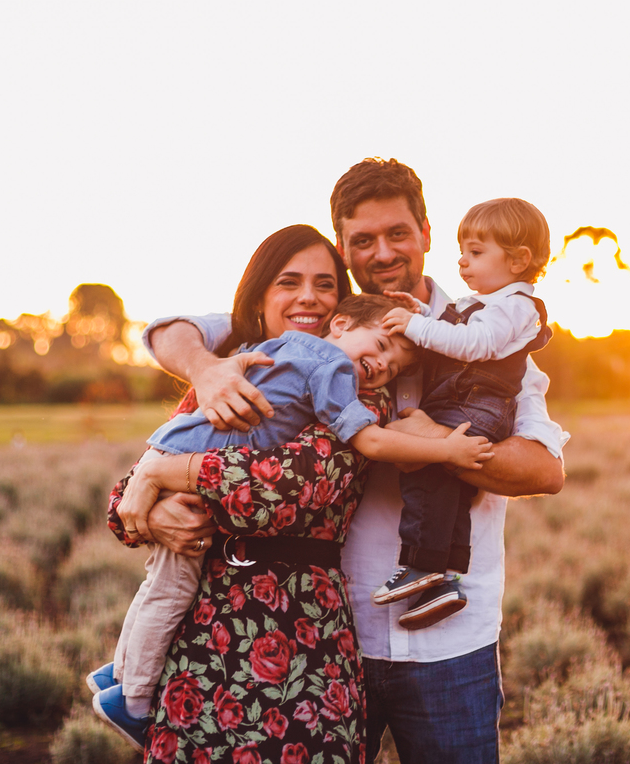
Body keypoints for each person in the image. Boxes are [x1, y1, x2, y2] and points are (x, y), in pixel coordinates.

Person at [142, 158, 568, 764]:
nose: (383, 252)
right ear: (343, 246)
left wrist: (437, 444)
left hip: (451, 645)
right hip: (329, 645)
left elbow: (545, 470)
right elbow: (174, 330)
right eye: (363, 240)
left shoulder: (486, 333)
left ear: (426, 232)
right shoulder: (323, 327)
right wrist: (206, 371)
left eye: (398, 233)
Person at [88, 281, 492, 747]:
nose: (384, 366)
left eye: (395, 367)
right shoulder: (316, 367)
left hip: (181, 460)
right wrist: (446, 450)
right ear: (340, 323)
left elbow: (283, 488)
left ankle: (121, 675)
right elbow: (368, 442)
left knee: (159, 583)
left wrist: (160, 474)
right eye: (382, 347)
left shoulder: (286, 352)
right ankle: (134, 701)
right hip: (190, 496)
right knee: (167, 588)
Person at [372, 197, 554, 630]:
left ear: (518, 260)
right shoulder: (487, 303)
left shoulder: (515, 306)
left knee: (427, 471)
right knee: (449, 491)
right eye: (462, 251)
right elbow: (456, 331)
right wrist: (419, 313)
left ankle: (421, 563)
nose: (462, 261)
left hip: (475, 404)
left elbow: (474, 344)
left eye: (475, 252)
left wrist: (416, 326)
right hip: (465, 401)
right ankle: (444, 580)